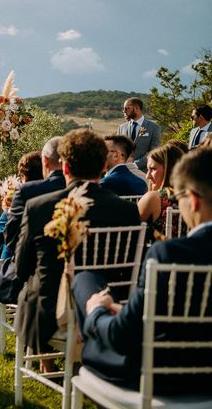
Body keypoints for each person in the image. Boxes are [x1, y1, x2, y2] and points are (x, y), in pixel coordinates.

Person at [72, 147, 212, 393]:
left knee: (87, 287)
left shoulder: (167, 254)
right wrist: (125, 310)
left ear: (194, 199)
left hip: (160, 377)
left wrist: (95, 312)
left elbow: (121, 336)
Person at [14, 129, 140, 355]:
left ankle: (45, 360)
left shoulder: (39, 207)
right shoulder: (129, 211)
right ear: (104, 166)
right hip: (106, 308)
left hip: (50, 317)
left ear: (64, 167)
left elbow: (21, 269)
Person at [0, 137, 65, 354]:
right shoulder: (86, 192)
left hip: (31, 280)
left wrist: (9, 213)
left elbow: (11, 238)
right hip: (76, 285)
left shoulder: (28, 192)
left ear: (46, 162)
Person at [0, 151, 43, 259]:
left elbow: (1, 233)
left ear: (23, 176)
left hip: (13, 260)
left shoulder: (21, 196)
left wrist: (7, 211)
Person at [137, 144, 184, 240]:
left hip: (163, 253)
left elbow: (130, 228)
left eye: (153, 169)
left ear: (170, 169)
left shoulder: (155, 198)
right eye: (147, 170)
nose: (147, 176)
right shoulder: (196, 197)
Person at [117, 98, 161, 172]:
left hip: (144, 172)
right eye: (124, 109)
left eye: (127, 108)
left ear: (137, 108)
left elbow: (154, 151)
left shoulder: (154, 127)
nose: (124, 111)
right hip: (123, 171)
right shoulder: (121, 127)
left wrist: (135, 165)